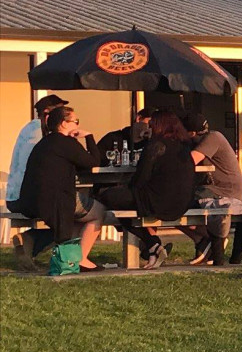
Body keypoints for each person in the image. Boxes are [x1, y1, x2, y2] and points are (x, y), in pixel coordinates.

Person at [97, 109, 197, 268]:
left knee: (109, 198)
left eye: (152, 125)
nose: (149, 129)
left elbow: (141, 178)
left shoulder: (156, 145)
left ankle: (152, 245)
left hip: (158, 201)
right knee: (123, 203)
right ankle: (152, 247)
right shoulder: (184, 147)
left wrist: (126, 187)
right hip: (183, 202)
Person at [15, 104, 107, 271]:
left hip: (30, 199)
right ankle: (81, 259)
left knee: (77, 216)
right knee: (99, 211)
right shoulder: (66, 143)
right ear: (64, 124)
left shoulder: (43, 143)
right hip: (56, 199)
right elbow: (93, 162)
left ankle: (63, 253)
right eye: (75, 121)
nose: (78, 125)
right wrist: (89, 137)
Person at [6, 94, 68, 263]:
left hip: (19, 196)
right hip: (25, 198)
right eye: (60, 112)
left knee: (69, 213)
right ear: (47, 113)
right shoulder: (36, 133)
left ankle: (30, 245)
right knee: (72, 213)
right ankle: (30, 240)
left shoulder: (33, 129)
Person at [181, 113, 242, 266]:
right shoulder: (203, 139)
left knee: (175, 205)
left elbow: (190, 161)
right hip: (211, 189)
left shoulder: (213, 138)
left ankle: (208, 240)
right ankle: (203, 240)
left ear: (192, 133)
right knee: (173, 205)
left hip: (225, 191)